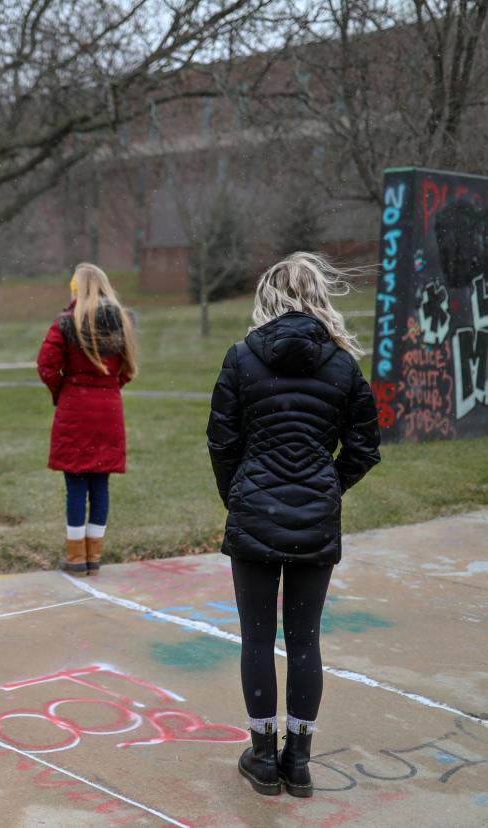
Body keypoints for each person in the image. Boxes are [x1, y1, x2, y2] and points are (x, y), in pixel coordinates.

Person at [207, 252, 380, 798]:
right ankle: (298, 762)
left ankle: (262, 759)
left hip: (255, 513)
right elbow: (365, 447)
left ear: (268, 297)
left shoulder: (241, 357)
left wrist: (240, 495)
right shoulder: (343, 365)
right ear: (320, 296)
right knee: (305, 641)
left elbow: (222, 441)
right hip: (314, 518)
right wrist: (327, 484)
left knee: (258, 639)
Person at [37, 263, 138, 575]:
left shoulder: (66, 322)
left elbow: (46, 365)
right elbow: (127, 368)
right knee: (100, 483)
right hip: (109, 409)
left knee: (76, 484)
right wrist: (108, 388)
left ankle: (76, 557)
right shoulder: (121, 321)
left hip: (75, 408)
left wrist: (63, 390)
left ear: (76, 288)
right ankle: (95, 556)